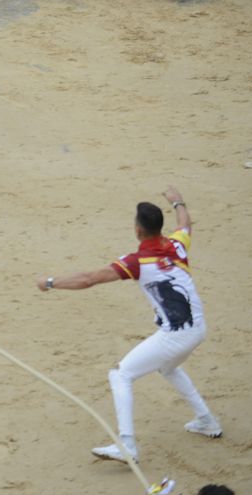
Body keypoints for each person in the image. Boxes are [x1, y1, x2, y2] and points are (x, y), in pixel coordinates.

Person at [35, 186, 221, 464]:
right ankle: (206, 420)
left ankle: (127, 445)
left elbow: (89, 279)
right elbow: (184, 224)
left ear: (138, 230)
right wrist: (177, 202)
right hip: (197, 328)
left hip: (176, 335)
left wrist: (50, 283)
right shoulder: (177, 246)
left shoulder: (137, 262)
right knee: (168, 367)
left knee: (120, 375)